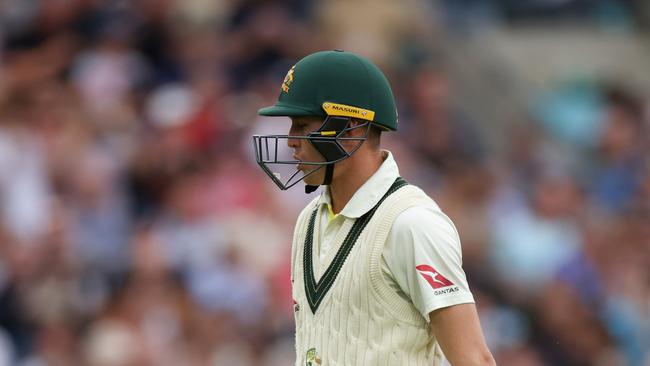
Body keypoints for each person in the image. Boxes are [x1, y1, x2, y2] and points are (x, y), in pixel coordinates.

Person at [253, 50, 495, 366]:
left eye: (302, 125)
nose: (290, 141)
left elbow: (474, 359)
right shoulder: (309, 220)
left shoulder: (411, 223)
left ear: (352, 128)